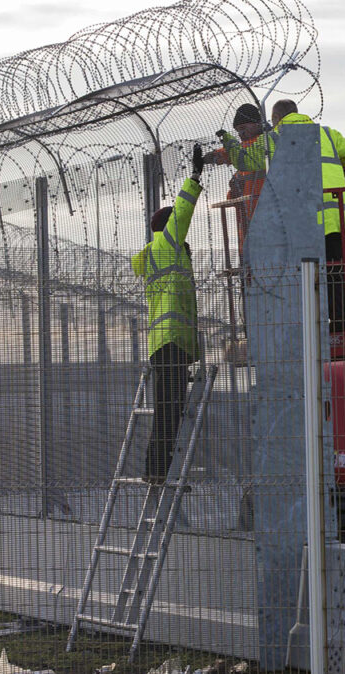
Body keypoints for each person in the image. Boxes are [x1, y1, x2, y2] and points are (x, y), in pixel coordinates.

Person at [131, 145, 204, 483]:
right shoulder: (167, 243)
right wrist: (194, 178)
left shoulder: (158, 257)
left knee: (167, 409)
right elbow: (183, 213)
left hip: (165, 344)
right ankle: (157, 471)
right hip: (172, 341)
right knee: (169, 411)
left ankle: (155, 469)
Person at [269, 99, 345, 328]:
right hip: (334, 219)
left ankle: (310, 326)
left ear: (276, 119)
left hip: (302, 221)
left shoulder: (274, 138)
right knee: (334, 273)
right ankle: (339, 324)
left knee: (304, 276)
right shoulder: (327, 134)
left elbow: (253, 162)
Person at [208, 103, 268, 236]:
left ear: (257, 124)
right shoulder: (241, 162)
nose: (240, 134)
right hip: (249, 227)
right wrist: (234, 192)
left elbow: (242, 151)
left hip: (264, 225)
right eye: (238, 130)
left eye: (243, 128)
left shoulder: (264, 144)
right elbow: (234, 196)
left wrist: (217, 155)